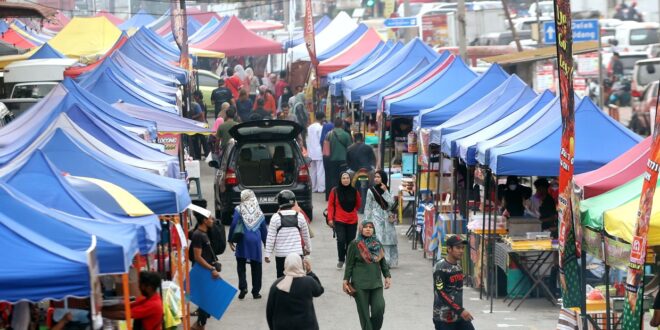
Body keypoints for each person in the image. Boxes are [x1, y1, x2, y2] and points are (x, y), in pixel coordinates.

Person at [343, 220, 392, 330]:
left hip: (376, 283)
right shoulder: (355, 244)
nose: (368, 229)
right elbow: (349, 264)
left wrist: (387, 276)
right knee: (364, 315)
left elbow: (382, 262)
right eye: (366, 227)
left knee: (379, 308)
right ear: (361, 229)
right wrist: (345, 280)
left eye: (371, 227)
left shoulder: (377, 244)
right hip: (360, 285)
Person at [266, 253, 324, 330]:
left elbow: (269, 311)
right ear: (300, 264)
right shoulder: (308, 281)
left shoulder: (277, 285)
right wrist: (310, 272)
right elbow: (319, 290)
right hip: (306, 326)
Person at [229, 190, 268, 299]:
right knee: (256, 266)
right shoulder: (258, 211)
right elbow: (263, 228)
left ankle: (243, 287)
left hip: (242, 239)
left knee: (241, 265)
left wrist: (230, 240)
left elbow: (233, 224)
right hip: (255, 240)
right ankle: (256, 292)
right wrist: (266, 243)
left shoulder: (239, 209)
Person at [265, 190, 312, 278]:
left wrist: (268, 254)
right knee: (298, 278)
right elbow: (306, 235)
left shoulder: (275, 217)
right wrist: (308, 249)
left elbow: (271, 237)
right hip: (297, 254)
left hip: (281, 255)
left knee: (281, 279)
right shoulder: (300, 216)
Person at [433, 235, 474, 330]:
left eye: (463, 248)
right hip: (443, 317)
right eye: (458, 248)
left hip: (458, 316)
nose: (461, 251)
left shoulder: (458, 267)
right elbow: (441, 292)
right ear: (449, 249)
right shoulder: (440, 267)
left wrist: (459, 311)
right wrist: (460, 310)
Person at [190, 209, 222, 330]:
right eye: (209, 218)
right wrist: (212, 268)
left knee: (207, 299)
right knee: (205, 299)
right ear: (204, 220)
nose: (212, 220)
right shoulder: (198, 235)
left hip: (206, 270)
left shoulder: (204, 233)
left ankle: (199, 324)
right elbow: (198, 257)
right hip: (202, 271)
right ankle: (199, 324)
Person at [328, 171, 362, 269]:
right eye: (343, 178)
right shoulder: (334, 191)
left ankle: (349, 260)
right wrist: (330, 219)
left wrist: (352, 211)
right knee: (341, 240)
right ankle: (341, 259)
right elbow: (330, 205)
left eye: (347, 178)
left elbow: (358, 204)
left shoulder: (355, 191)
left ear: (350, 179)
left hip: (352, 220)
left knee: (351, 242)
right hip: (339, 220)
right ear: (340, 179)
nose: (346, 180)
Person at [364, 170, 398, 268]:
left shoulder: (389, 190)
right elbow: (368, 206)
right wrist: (367, 221)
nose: (376, 179)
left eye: (378, 177)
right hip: (376, 217)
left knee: (388, 240)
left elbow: (391, 204)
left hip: (387, 217)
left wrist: (385, 191)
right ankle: (377, 260)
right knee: (378, 238)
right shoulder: (371, 190)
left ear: (383, 178)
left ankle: (387, 261)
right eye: (375, 177)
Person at [325, 118, 352, 195]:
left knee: (333, 178)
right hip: (343, 160)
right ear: (342, 125)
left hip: (332, 160)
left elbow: (326, 150)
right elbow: (350, 149)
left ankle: (334, 194)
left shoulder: (328, 134)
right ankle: (342, 193)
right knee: (343, 177)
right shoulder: (346, 135)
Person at [306, 112, 325, 193]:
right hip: (319, 151)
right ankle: (321, 188)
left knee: (312, 171)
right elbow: (321, 140)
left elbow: (306, 139)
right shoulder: (320, 128)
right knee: (320, 171)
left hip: (311, 151)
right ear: (322, 118)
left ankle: (313, 188)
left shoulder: (309, 127)